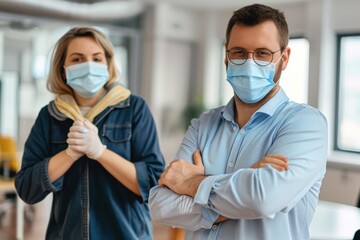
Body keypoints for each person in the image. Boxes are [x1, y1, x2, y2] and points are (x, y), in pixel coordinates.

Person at [149, 3, 327, 240]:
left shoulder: (306, 124)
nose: (249, 62)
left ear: (284, 59)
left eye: (262, 53)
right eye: (239, 52)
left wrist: (190, 183)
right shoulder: (203, 124)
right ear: (226, 56)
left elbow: (262, 199)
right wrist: (243, 185)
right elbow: (160, 204)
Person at [15, 26, 165, 240]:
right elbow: (27, 188)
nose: (88, 66)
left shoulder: (134, 109)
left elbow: (153, 185)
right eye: (77, 59)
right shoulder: (50, 116)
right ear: (63, 69)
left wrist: (99, 152)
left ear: (107, 64)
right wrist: (69, 154)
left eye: (96, 58)